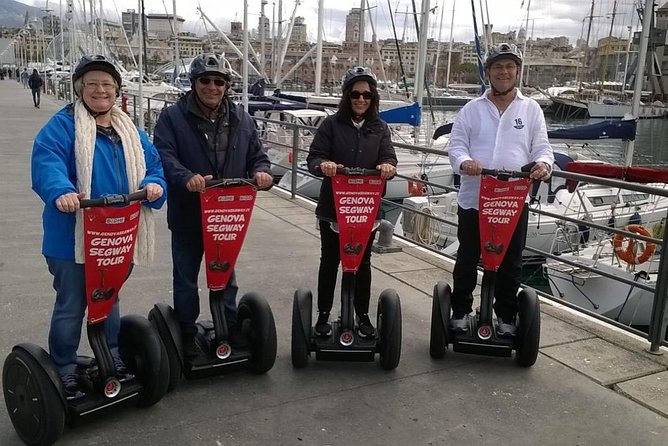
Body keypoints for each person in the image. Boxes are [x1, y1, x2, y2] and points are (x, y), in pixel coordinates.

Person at [31, 55, 167, 399]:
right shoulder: (62, 126)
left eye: (107, 84)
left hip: (118, 236)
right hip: (72, 238)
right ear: (80, 89)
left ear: (117, 91)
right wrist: (60, 190)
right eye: (91, 84)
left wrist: (154, 185)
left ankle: (112, 354)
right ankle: (63, 367)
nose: (100, 90)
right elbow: (47, 161)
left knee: (108, 297)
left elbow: (153, 166)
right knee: (73, 303)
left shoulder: (130, 131)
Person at [153, 53, 273, 359]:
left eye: (218, 81)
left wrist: (261, 171)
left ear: (226, 86)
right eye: (205, 81)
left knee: (225, 276)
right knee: (186, 278)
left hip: (227, 215)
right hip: (189, 213)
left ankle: (228, 326)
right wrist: (186, 177)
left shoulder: (241, 118)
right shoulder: (172, 117)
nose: (212, 87)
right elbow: (163, 156)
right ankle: (187, 333)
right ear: (194, 84)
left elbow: (257, 155)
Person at [447, 43, 554, 337]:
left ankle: (506, 315)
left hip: (512, 200)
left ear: (517, 71)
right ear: (488, 73)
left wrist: (543, 166)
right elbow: (456, 145)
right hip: (474, 197)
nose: (504, 72)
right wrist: (465, 162)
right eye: (497, 67)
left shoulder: (530, 109)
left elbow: (543, 148)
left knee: (510, 261)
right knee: (468, 257)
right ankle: (459, 310)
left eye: (509, 67)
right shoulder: (471, 109)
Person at [306, 66, 397, 339]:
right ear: (347, 96)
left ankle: (362, 315)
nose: (361, 100)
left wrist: (387, 166)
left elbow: (389, 157)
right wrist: (325, 165)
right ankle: (323, 313)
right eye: (355, 94)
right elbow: (314, 158)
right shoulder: (331, 125)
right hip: (333, 208)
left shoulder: (379, 128)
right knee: (330, 260)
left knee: (363, 263)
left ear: (373, 98)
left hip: (365, 209)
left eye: (366, 95)